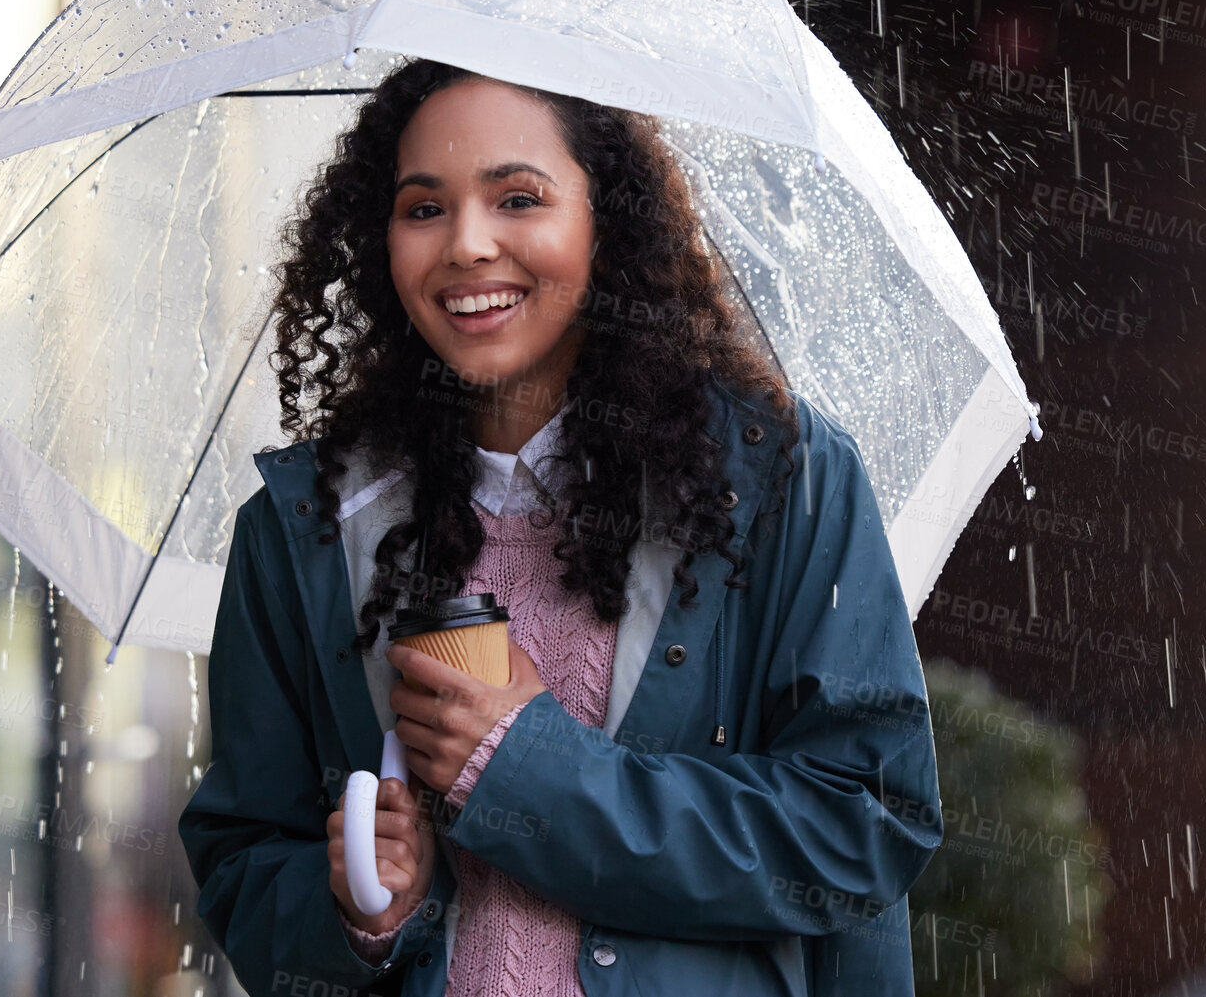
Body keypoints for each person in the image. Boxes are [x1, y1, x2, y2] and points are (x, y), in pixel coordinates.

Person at [178, 57, 943, 997]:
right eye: (423, 208)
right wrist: (360, 913)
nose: (465, 243)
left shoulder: (776, 479)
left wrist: (529, 766)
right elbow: (243, 859)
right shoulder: (306, 525)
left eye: (517, 198)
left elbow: (862, 827)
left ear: (605, 222)